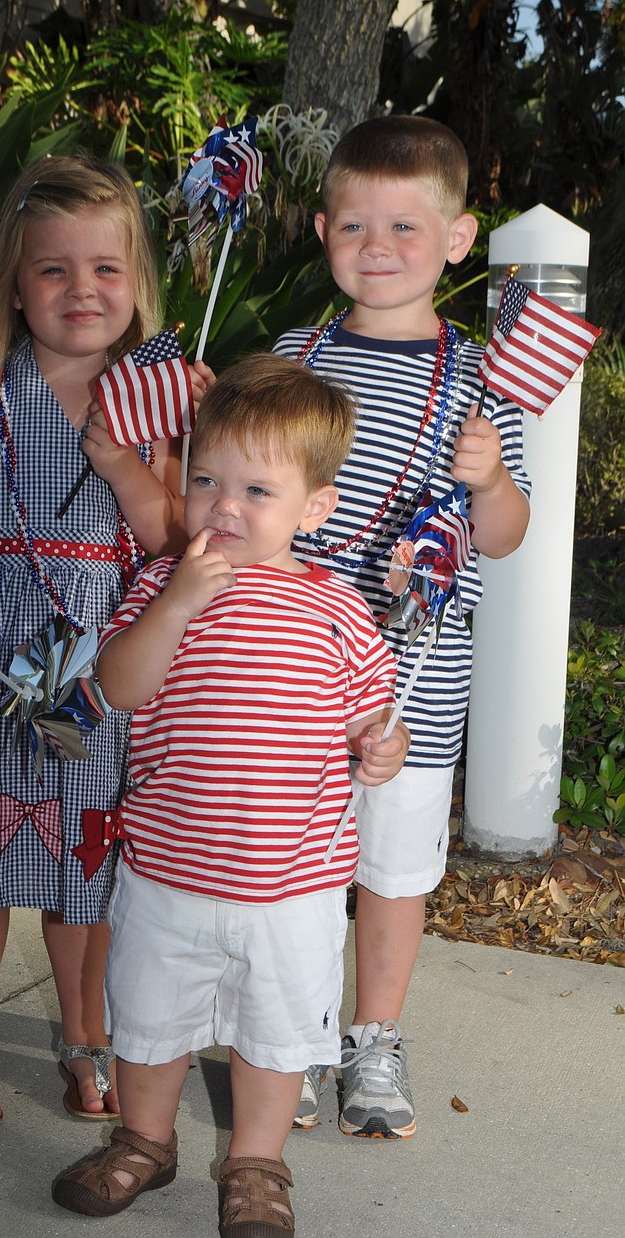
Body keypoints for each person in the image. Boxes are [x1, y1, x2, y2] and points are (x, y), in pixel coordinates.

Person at [51, 354, 410, 1233]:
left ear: (313, 508)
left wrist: (383, 748)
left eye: (257, 490)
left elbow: (376, 719)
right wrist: (176, 601)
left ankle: (256, 1161)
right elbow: (119, 687)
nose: (224, 506)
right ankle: (144, 1138)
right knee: (149, 1020)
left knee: (275, 1034)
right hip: (167, 868)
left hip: (292, 881)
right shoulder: (159, 584)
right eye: (206, 480)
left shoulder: (339, 611)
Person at [0, 154, 191, 1127]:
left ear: (136, 282)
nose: (81, 288)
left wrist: (130, 466)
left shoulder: (155, 406)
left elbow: (172, 539)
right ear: (15, 285)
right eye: (54, 269)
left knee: (84, 865)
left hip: (97, 661)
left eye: (105, 268)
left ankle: (86, 1034)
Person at [273, 114, 531, 1138]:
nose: (375, 248)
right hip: (298, 658)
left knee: (391, 868)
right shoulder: (294, 357)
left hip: (416, 672)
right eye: (352, 226)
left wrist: (491, 480)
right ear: (322, 230)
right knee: (290, 856)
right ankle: (289, 1033)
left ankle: (372, 1037)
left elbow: (504, 536)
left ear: (458, 239)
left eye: (404, 227)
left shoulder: (482, 380)